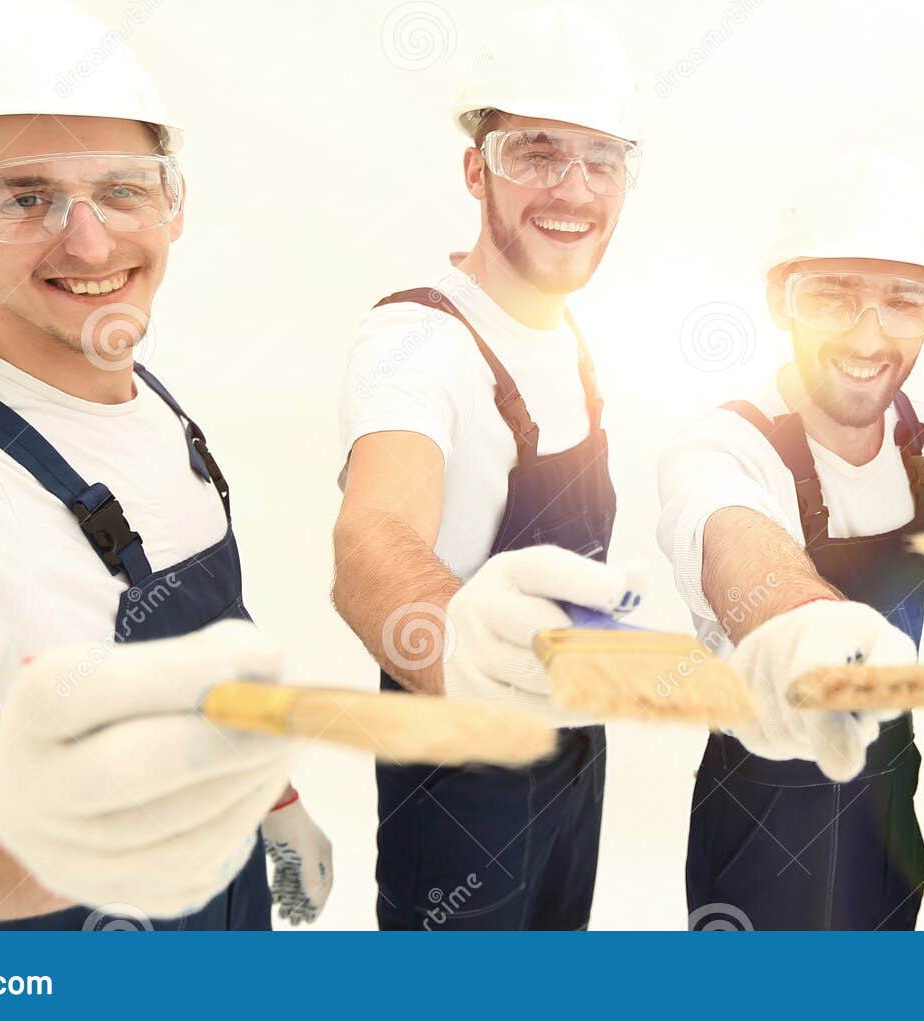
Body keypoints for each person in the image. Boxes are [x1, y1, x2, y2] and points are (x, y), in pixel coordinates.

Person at [0, 0, 330, 930]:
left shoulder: (159, 405)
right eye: (24, 197)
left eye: (122, 189)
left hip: (231, 891)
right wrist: (97, 832)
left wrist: (275, 804)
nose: (90, 243)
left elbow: (209, 665)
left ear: (172, 202)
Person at [331, 3, 644, 930]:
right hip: (462, 804)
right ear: (477, 170)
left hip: (573, 768)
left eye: (602, 160)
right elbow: (372, 538)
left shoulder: (571, 333)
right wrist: (463, 651)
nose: (574, 189)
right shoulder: (417, 342)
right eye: (536, 154)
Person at [656, 152, 924, 930]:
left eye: (903, 300)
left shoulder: (923, 438)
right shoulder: (721, 446)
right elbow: (732, 535)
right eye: (832, 296)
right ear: (778, 299)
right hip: (764, 826)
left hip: (888, 810)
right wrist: (809, 629)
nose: (869, 335)